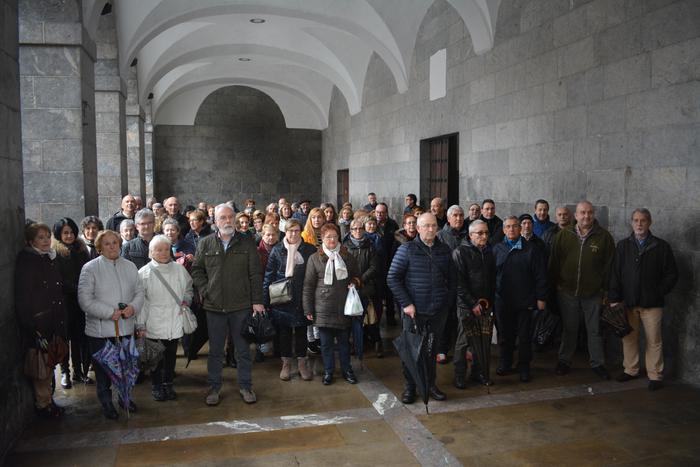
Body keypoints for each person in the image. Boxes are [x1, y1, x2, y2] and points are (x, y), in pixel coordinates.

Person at [191, 204, 264, 406]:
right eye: (222, 217)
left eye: (230, 217)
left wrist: (257, 301)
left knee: (242, 349)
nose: (227, 221)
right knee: (215, 351)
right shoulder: (205, 243)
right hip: (214, 307)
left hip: (241, 306)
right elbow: (197, 270)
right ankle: (214, 387)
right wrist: (206, 291)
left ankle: (246, 386)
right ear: (215, 221)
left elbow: (255, 274)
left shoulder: (247, 242)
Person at [388, 213, 456, 404]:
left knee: (431, 349)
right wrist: (406, 303)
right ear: (417, 229)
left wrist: (447, 302)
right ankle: (410, 387)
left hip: (437, 311)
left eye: (434, 226)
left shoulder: (444, 250)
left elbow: (453, 279)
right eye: (426, 226)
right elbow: (392, 278)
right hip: (414, 311)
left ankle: (429, 384)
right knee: (411, 351)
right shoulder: (406, 249)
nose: (431, 229)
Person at [609, 209, 678, 391]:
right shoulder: (623, 246)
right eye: (636, 220)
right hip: (628, 302)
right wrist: (615, 298)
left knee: (654, 340)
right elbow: (615, 273)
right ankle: (630, 369)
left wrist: (659, 292)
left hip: (652, 304)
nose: (639, 224)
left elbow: (672, 274)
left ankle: (655, 375)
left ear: (650, 222)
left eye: (643, 221)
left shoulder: (661, 247)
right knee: (628, 338)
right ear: (631, 223)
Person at [78, 230, 144, 420]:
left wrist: (133, 307)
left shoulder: (130, 266)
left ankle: (125, 398)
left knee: (127, 368)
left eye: (115, 242)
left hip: (125, 328)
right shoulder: (90, 268)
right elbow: (85, 300)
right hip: (100, 331)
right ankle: (107, 403)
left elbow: (140, 292)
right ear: (99, 247)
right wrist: (109, 313)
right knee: (104, 371)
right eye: (107, 243)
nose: (112, 246)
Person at [549, 201, 615, 379]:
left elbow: (609, 267)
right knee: (569, 329)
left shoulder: (604, 237)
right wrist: (556, 284)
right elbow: (554, 262)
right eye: (582, 213)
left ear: (593, 215)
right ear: (576, 216)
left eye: (590, 213)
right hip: (567, 292)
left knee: (594, 330)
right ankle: (564, 361)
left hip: (593, 293)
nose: (587, 216)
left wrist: (605, 291)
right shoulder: (563, 235)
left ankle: (598, 364)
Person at [15, 223, 69, 418]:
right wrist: (32, 326)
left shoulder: (50, 258)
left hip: (53, 320)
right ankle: (43, 404)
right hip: (40, 323)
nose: (46, 241)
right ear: (31, 241)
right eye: (40, 237)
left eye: (47, 236)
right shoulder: (28, 261)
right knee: (42, 367)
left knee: (50, 362)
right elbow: (24, 296)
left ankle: (49, 401)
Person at [137, 235, 193, 402]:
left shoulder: (179, 269)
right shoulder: (144, 273)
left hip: (174, 320)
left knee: (170, 357)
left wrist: (186, 300)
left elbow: (188, 288)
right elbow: (141, 302)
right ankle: (156, 386)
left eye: (166, 249)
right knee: (156, 359)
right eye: (158, 250)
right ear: (151, 252)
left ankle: (168, 384)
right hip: (153, 322)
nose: (163, 253)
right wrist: (140, 325)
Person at [303, 223, 361, 385]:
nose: (332, 240)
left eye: (334, 236)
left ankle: (347, 370)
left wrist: (355, 283)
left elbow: (357, 276)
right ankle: (328, 372)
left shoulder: (347, 257)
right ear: (322, 238)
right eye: (328, 237)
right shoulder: (315, 258)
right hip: (322, 308)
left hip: (343, 306)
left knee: (344, 343)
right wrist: (308, 308)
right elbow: (308, 285)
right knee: (326, 344)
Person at [493, 216, 547, 382]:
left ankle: (524, 366)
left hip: (525, 300)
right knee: (505, 335)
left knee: (524, 337)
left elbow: (540, 275)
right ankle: (505, 363)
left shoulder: (531, 249)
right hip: (502, 301)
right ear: (503, 229)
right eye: (508, 227)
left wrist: (541, 298)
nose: (511, 230)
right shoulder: (497, 249)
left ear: (520, 228)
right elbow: (490, 275)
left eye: (515, 226)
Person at [263, 219, 316, 381]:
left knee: (301, 332)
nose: (293, 234)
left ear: (300, 231)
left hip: (302, 295)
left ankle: (302, 363)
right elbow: (269, 275)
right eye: (290, 230)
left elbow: (314, 274)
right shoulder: (277, 250)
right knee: (284, 333)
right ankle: (286, 363)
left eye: (296, 230)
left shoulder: (309, 249)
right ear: (285, 232)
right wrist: (264, 300)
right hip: (282, 296)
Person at [452, 219, 496, 389]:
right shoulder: (460, 253)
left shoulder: (489, 252)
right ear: (470, 235)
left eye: (486, 233)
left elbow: (492, 280)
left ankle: (479, 373)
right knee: (463, 342)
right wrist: (472, 303)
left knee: (483, 342)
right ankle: (459, 375)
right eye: (480, 233)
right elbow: (459, 284)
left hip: (486, 305)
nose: (484, 236)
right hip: (466, 305)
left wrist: (489, 303)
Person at [52, 218, 92, 388]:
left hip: (81, 301)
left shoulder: (82, 250)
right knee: (65, 338)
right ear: (59, 234)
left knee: (79, 338)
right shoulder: (55, 252)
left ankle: (79, 371)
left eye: (71, 232)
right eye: (65, 233)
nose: (69, 236)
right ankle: (65, 373)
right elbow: (57, 279)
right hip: (64, 301)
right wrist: (77, 288)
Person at [433, 205, 468, 364]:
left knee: (463, 318)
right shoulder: (440, 236)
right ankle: (441, 349)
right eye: (455, 215)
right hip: (446, 283)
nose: (459, 218)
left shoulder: (468, 235)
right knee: (445, 318)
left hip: (465, 283)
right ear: (448, 218)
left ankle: (466, 348)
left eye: (461, 215)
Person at [343, 219, 379, 359]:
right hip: (350, 288)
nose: (357, 231)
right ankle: (356, 346)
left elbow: (374, 267)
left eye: (360, 228)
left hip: (365, 287)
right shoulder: (345, 246)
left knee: (369, 318)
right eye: (354, 229)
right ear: (350, 231)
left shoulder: (370, 246)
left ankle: (374, 342)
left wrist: (360, 280)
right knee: (353, 319)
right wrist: (351, 281)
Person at [375, 203, 399, 325]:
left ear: (386, 213)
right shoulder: (372, 224)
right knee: (378, 293)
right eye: (377, 212)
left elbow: (396, 242)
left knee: (390, 292)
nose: (379, 214)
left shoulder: (392, 224)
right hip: (377, 264)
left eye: (382, 212)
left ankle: (391, 317)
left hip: (390, 262)